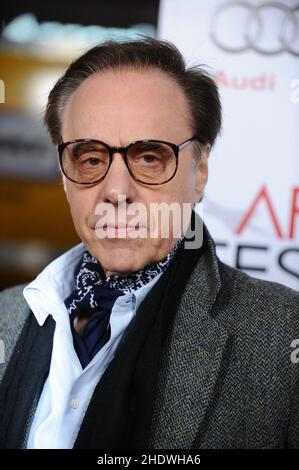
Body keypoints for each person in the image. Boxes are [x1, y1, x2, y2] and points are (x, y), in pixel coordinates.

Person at [0, 37, 298, 450]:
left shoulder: (283, 334)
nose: (116, 191)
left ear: (200, 172)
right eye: (90, 158)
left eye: (148, 157)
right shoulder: (8, 315)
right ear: (65, 174)